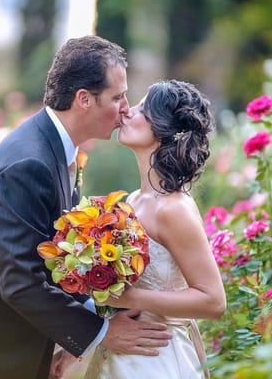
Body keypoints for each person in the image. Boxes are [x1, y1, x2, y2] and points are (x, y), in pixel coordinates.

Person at [0, 35, 172, 378]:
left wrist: (97, 312)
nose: (126, 108)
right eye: (117, 97)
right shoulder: (29, 163)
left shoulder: (55, 150)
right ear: (84, 99)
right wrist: (102, 333)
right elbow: (20, 282)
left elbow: (48, 264)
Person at [84, 80, 227, 379]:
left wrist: (128, 299)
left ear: (163, 129)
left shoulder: (173, 209)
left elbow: (213, 300)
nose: (127, 111)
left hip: (158, 358)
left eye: (141, 108)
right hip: (123, 353)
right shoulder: (135, 200)